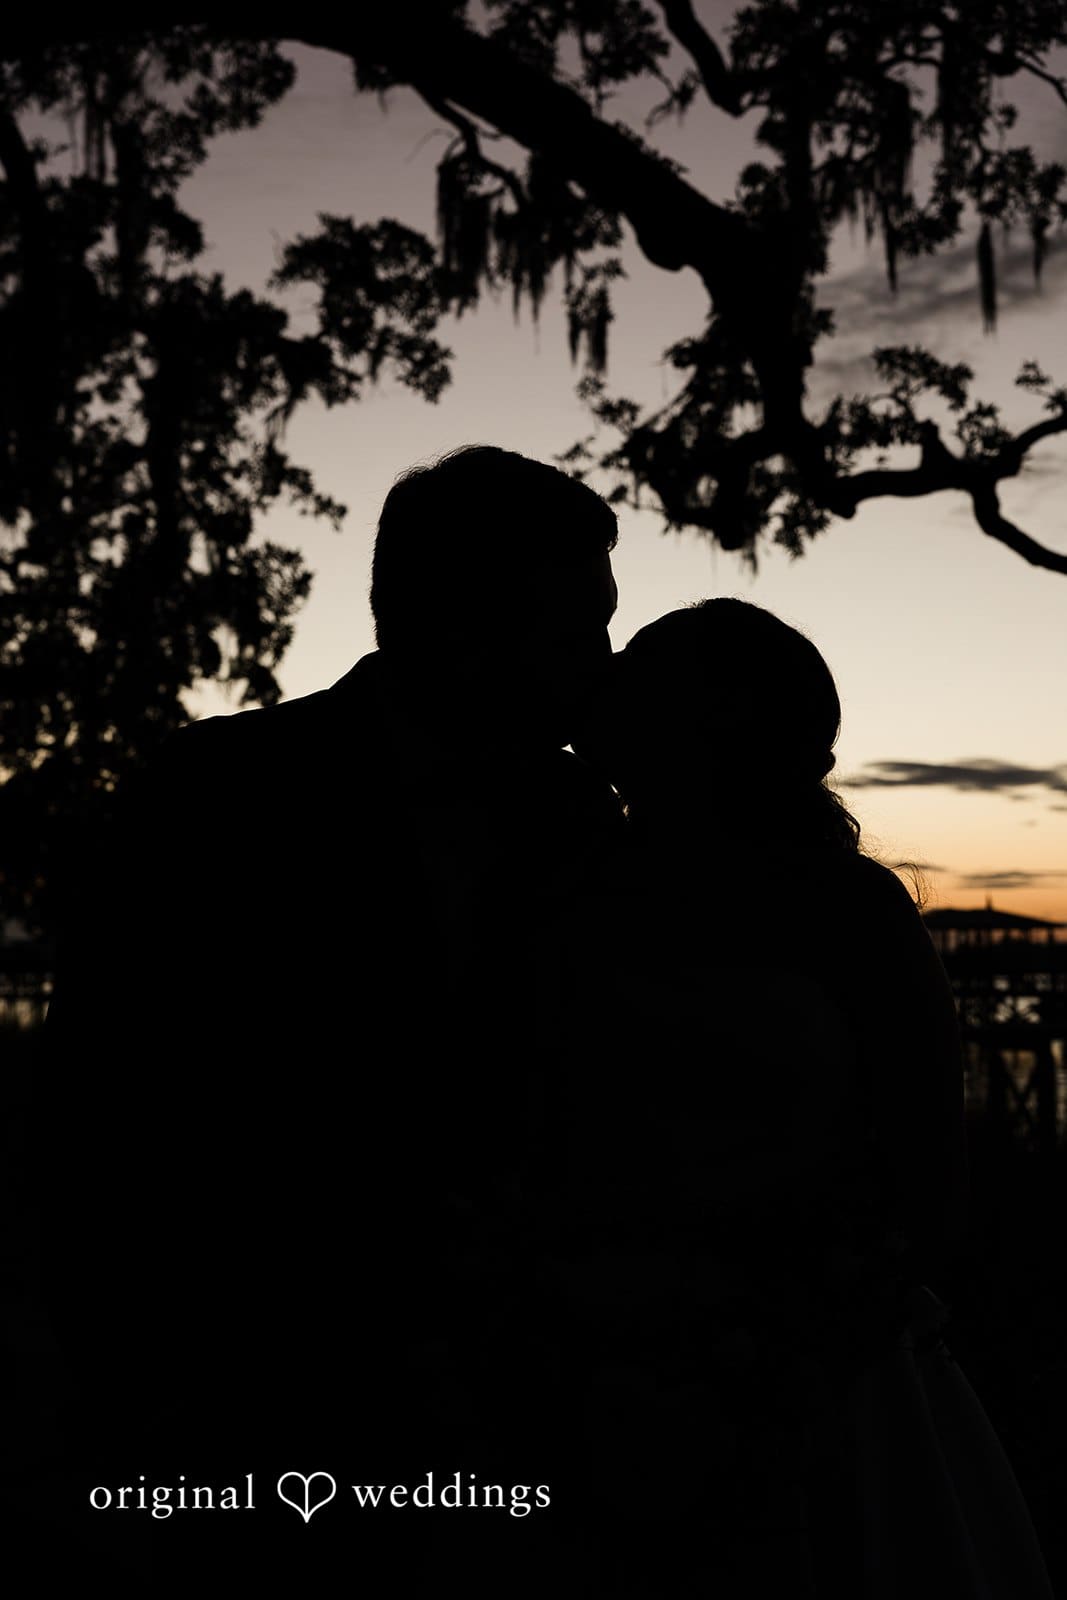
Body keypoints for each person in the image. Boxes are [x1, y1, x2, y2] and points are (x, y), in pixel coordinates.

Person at [28, 445, 623, 1591]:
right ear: (466, 628)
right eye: (574, 634)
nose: (600, 669)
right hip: (253, 1392)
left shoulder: (581, 812)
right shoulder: (217, 792)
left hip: (530, 1411)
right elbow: (97, 1104)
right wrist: (137, 1397)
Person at [552, 597, 1054, 1598]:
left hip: (811, 1368)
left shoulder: (846, 907)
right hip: (589, 1356)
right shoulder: (568, 888)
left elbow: (925, 1183)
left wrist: (786, 1335)